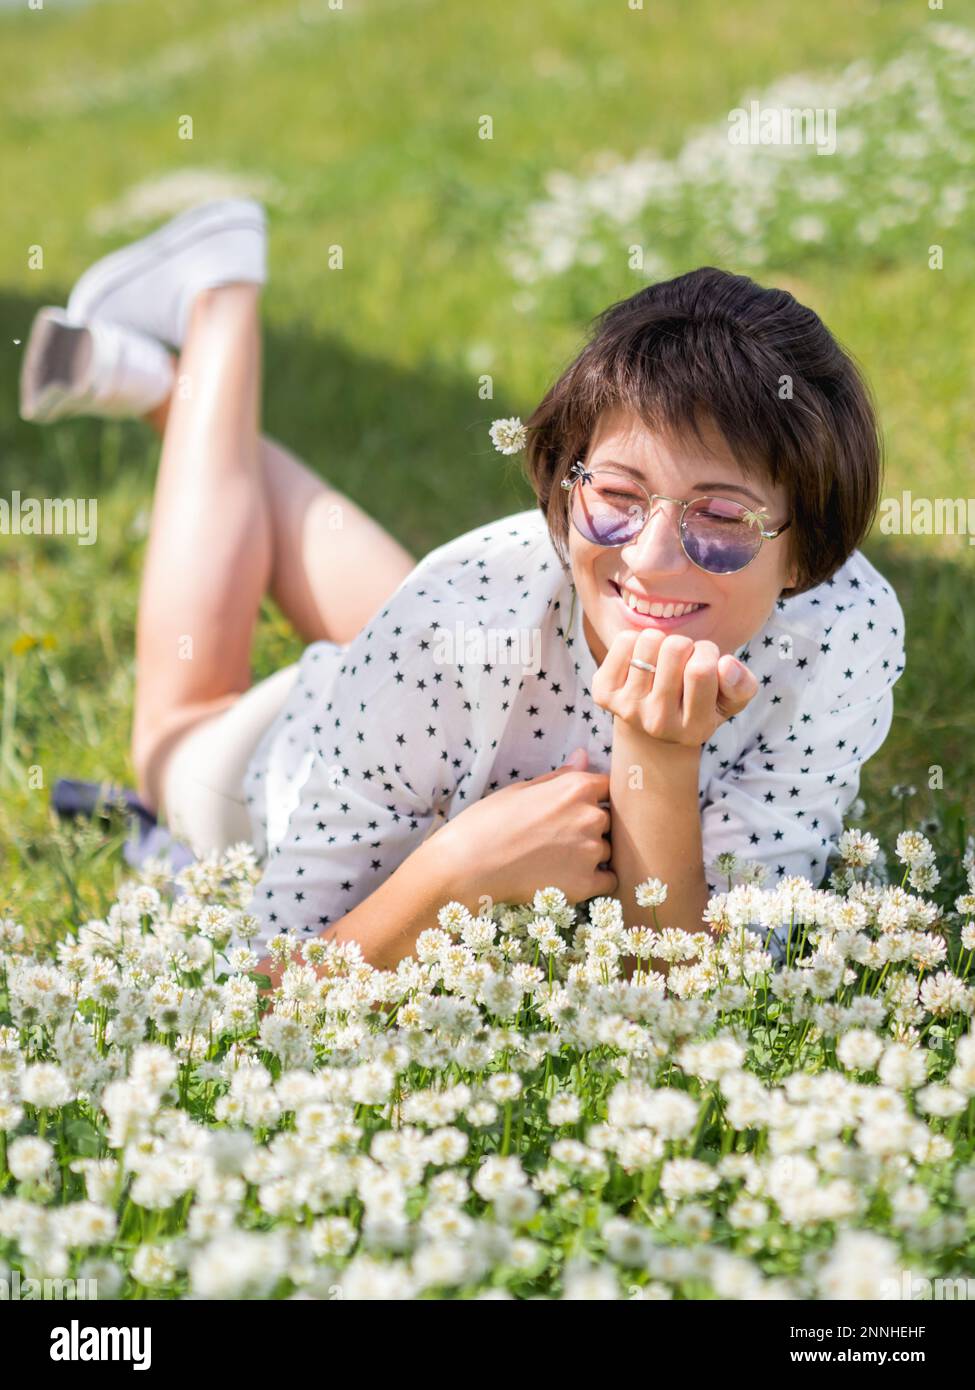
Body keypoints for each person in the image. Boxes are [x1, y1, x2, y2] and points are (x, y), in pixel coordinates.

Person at [20, 200, 906, 985]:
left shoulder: (842, 631)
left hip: (470, 669)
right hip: (325, 741)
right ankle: (218, 304)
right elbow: (272, 984)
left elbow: (692, 989)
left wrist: (656, 762)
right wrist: (457, 869)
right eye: (616, 497)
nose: (653, 556)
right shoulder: (454, 615)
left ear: (807, 551)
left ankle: (158, 387)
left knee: (460, 619)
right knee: (177, 729)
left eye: (720, 516)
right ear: (564, 488)